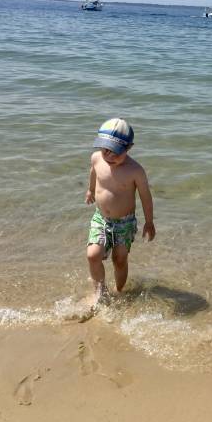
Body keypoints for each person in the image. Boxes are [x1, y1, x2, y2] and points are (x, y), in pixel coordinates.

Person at [84, 118, 155, 305]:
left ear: (129, 147)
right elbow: (94, 173)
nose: (109, 156)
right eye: (105, 149)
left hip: (124, 222)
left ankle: (119, 291)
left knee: (119, 259)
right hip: (101, 218)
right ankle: (100, 292)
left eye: (115, 152)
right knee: (92, 255)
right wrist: (90, 190)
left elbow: (146, 197)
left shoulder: (135, 170)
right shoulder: (96, 158)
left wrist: (149, 222)